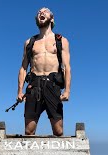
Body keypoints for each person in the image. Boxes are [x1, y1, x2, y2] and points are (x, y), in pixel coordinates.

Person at [17, 7, 71, 136]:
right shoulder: (30, 42)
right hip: (34, 85)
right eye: (39, 12)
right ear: (37, 19)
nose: (41, 12)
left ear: (51, 18)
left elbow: (67, 67)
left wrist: (67, 90)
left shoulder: (61, 40)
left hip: (53, 85)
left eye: (45, 11)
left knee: (58, 131)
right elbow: (24, 67)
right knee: (29, 131)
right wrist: (19, 90)